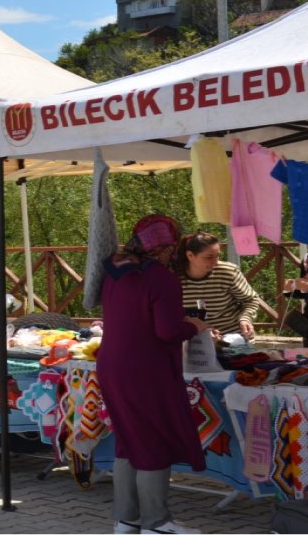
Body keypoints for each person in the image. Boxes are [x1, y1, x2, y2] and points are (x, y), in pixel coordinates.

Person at [96, 215, 210, 534]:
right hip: (145, 369)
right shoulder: (160, 277)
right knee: (152, 441)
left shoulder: (115, 271)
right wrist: (194, 326)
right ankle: (157, 523)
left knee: (128, 442)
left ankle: (126, 519)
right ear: (168, 245)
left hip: (112, 365)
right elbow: (166, 330)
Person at [172, 232, 262, 340]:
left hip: (232, 339)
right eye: (209, 257)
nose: (215, 262)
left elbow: (251, 300)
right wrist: (203, 331)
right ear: (190, 255)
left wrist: (245, 319)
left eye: (218, 255)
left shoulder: (227, 272)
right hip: (193, 343)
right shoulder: (173, 279)